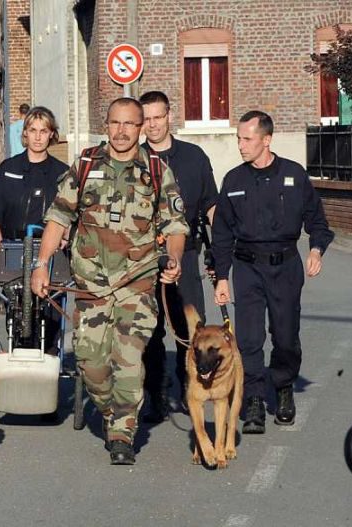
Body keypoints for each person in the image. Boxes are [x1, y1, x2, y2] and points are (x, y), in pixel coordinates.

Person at [31, 98, 189, 464]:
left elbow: (175, 226)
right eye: (115, 123)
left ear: (141, 128)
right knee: (92, 364)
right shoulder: (85, 164)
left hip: (138, 283)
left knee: (128, 358)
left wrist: (175, 258)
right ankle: (111, 411)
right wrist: (42, 264)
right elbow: (58, 218)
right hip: (91, 285)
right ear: (107, 124)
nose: (121, 131)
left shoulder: (155, 169)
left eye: (129, 124)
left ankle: (122, 433)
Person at [211, 110, 334, 434]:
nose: (240, 145)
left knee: (285, 337)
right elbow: (222, 233)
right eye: (238, 138)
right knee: (249, 339)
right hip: (247, 266)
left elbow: (317, 221)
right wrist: (222, 276)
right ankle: (253, 399)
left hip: (285, 266)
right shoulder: (234, 180)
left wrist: (316, 250)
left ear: (267, 140)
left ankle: (282, 388)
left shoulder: (294, 175)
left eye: (247, 139)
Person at [139, 91, 219, 422]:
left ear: (169, 115)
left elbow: (211, 204)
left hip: (185, 255)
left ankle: (190, 386)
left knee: (191, 327)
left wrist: (222, 251)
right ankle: (156, 390)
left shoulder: (193, 157)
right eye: (147, 119)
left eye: (158, 117)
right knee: (149, 329)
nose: (153, 124)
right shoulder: (134, 158)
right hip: (144, 257)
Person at [0, 106, 69, 250]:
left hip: (51, 252)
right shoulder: (7, 169)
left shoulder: (63, 173)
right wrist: (1, 254)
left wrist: (65, 237)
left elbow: (71, 216)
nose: (38, 137)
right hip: (12, 249)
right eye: (33, 130)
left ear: (51, 134)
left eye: (43, 131)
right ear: (25, 132)